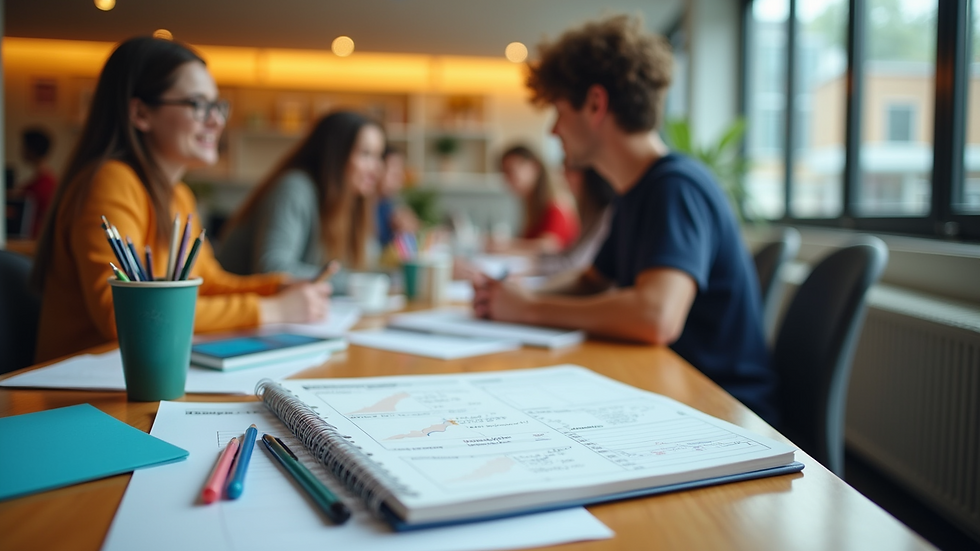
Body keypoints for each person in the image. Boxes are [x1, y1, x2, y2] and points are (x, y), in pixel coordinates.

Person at [473, 15, 775, 423]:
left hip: (722, 408)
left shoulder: (676, 187)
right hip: (675, 389)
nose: (554, 129)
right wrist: (516, 295)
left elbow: (656, 318)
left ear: (596, 104)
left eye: (559, 111)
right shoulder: (634, 194)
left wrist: (529, 309)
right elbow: (590, 280)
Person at [31, 36, 329, 363]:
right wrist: (272, 309)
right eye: (198, 105)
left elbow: (208, 284)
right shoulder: (111, 181)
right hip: (82, 389)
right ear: (141, 112)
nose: (216, 121)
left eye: (217, 106)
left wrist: (278, 286)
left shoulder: (178, 195)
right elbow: (125, 316)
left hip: (143, 372)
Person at [216, 111, 385, 292]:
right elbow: (272, 270)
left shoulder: (350, 202)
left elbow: (364, 261)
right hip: (237, 310)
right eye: (366, 155)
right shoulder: (295, 189)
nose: (377, 168)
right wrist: (352, 283)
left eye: (379, 156)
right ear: (335, 155)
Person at [490, 145, 579, 254]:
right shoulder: (531, 208)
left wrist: (506, 246)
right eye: (504, 173)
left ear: (534, 167)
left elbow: (548, 247)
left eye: (511, 171)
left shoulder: (556, 207)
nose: (507, 179)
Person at [8, 127, 57, 237]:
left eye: (24, 147)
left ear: (32, 150)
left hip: (34, 240)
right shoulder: (43, 181)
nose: (21, 150)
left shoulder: (44, 184)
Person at [376, 145, 419, 248]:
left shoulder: (385, 205)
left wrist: (403, 230)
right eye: (395, 173)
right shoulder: (364, 208)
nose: (400, 179)